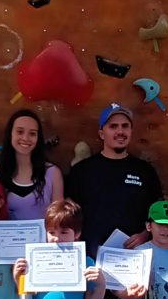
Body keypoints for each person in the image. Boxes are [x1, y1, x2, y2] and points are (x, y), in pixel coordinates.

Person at [66, 102, 162, 253]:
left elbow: (158, 213)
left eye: (125, 126)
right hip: (90, 258)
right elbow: (69, 215)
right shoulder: (81, 171)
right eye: (113, 126)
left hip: (134, 257)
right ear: (101, 133)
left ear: (131, 131)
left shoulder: (145, 171)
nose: (120, 131)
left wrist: (145, 234)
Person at [0, 109, 64, 221]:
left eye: (32, 133)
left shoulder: (53, 173)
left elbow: (59, 218)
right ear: (10, 134)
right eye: (20, 132)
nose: (25, 138)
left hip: (43, 233)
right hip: (6, 233)